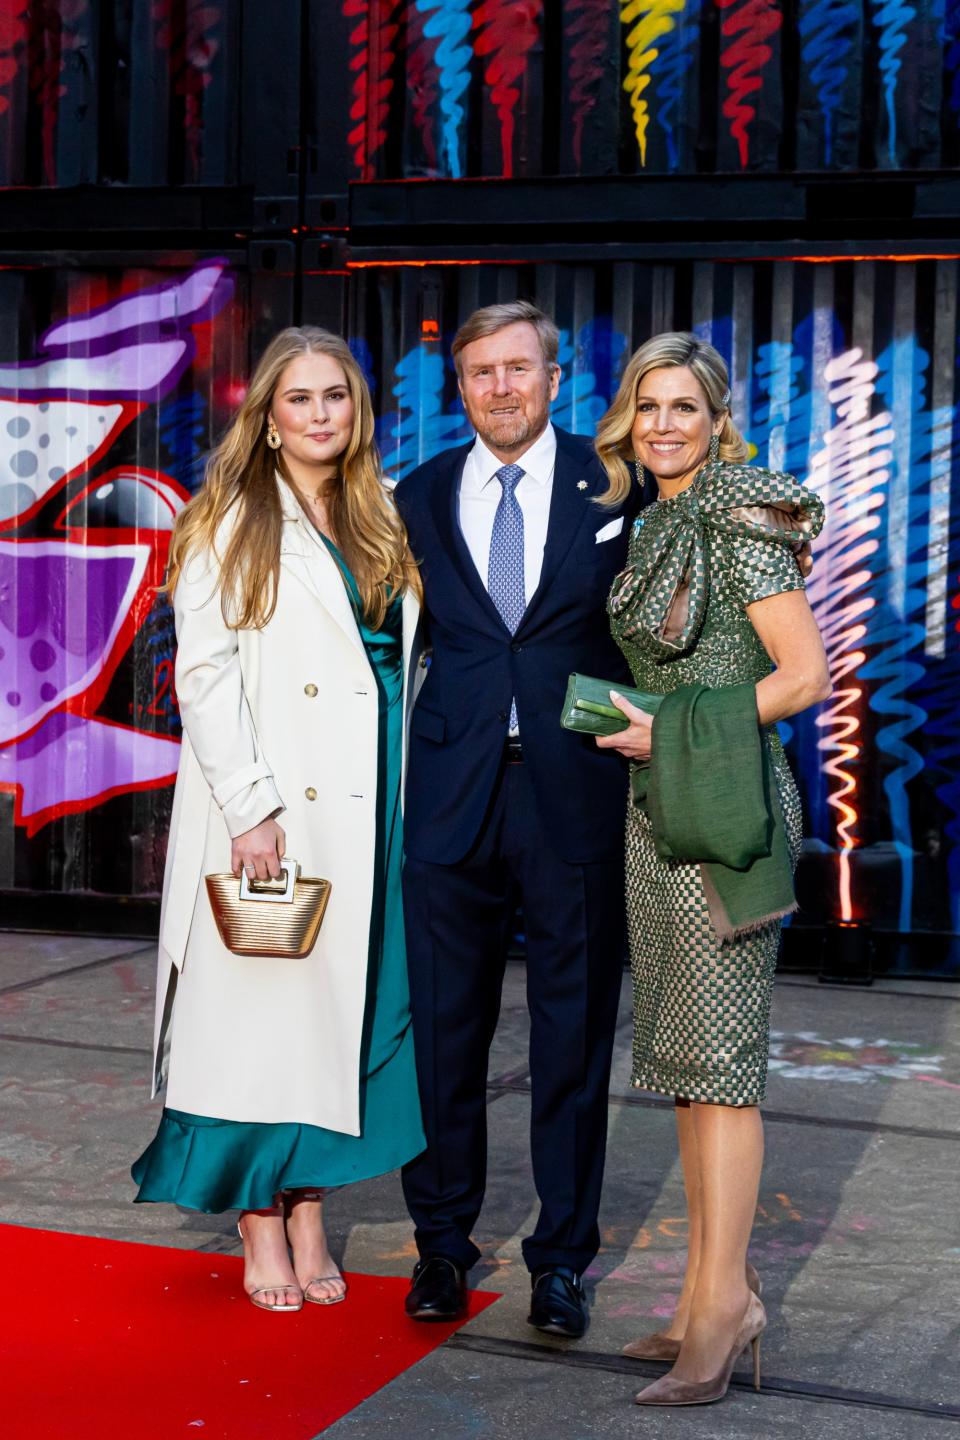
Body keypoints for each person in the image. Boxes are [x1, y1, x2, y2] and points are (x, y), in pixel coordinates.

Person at [132, 326, 425, 1312]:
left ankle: (309, 1207)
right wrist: (252, 809)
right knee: (256, 1019)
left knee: (336, 1021)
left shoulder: (379, 514)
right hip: (271, 810)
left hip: (369, 808)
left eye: (335, 396)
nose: (319, 415)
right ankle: (261, 1221)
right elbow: (205, 679)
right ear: (266, 416)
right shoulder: (226, 520)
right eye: (298, 399)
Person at [393, 300, 649, 1337]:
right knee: (443, 1037)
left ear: (554, 377)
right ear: (461, 390)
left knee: (571, 1036)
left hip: (575, 792)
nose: (499, 388)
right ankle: (442, 1247)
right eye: (479, 375)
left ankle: (561, 1261)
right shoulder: (417, 493)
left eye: (516, 369)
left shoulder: (618, 484)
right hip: (451, 796)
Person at [593, 332, 830, 1405]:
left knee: (723, 1071)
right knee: (688, 1066)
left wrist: (672, 726)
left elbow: (803, 676)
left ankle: (728, 1307)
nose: (664, 425)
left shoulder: (738, 519)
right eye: (648, 407)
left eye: (684, 407)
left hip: (727, 810)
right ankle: (699, 1300)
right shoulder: (653, 521)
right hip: (661, 807)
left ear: (718, 419)